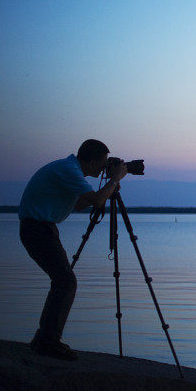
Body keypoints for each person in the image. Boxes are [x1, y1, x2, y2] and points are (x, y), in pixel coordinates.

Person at [18, 139, 127, 360]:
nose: (104, 168)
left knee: (62, 281)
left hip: (42, 228)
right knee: (65, 282)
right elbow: (97, 201)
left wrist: (109, 187)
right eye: (103, 163)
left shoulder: (69, 170)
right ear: (92, 160)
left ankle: (44, 339)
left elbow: (79, 204)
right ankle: (48, 342)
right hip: (37, 229)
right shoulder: (68, 170)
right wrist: (114, 180)